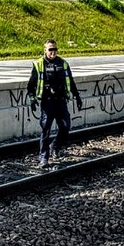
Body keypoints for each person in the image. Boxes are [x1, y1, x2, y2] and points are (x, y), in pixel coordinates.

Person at [26, 39, 83, 167]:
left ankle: (55, 146)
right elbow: (31, 85)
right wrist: (32, 98)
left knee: (65, 127)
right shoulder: (39, 64)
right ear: (45, 50)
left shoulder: (63, 64)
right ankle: (43, 158)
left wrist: (77, 96)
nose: (53, 52)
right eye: (50, 49)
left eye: (55, 49)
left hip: (61, 101)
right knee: (45, 130)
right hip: (47, 102)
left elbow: (71, 81)